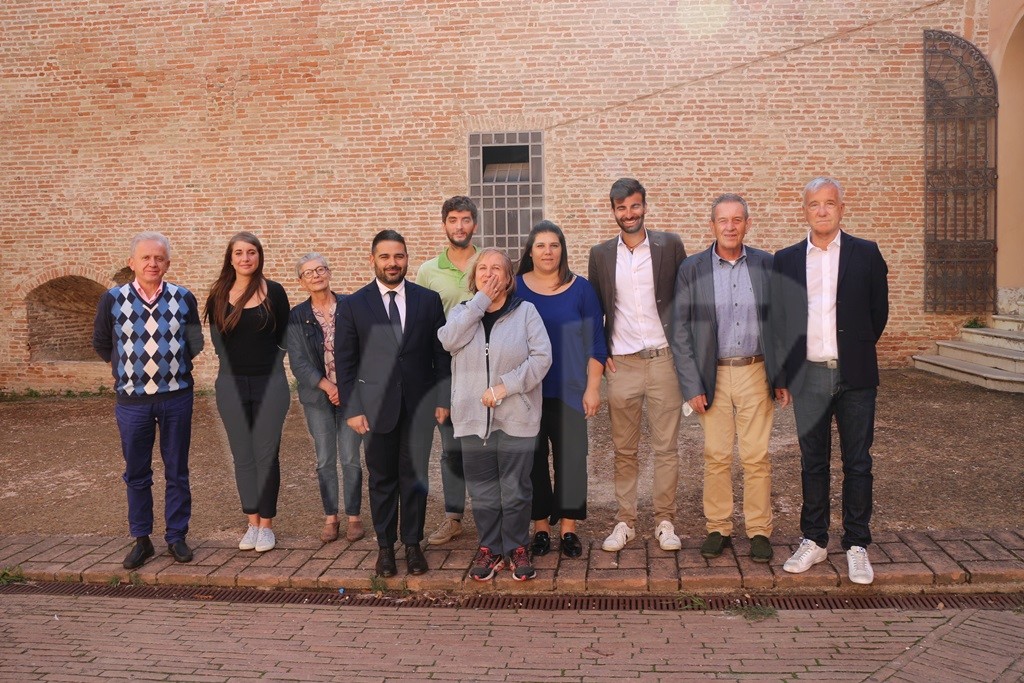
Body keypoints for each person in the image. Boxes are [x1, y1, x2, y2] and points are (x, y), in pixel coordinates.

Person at [771, 177, 889, 585]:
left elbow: (877, 313)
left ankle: (856, 544)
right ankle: (815, 540)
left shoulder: (866, 253)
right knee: (813, 462)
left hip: (856, 375)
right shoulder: (786, 259)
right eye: (814, 204)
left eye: (829, 203)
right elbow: (779, 321)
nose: (822, 210)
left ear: (841, 208)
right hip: (809, 377)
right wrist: (783, 376)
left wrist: (854, 348)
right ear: (804, 210)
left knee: (858, 462)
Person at [336, 230, 450, 578]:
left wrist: (442, 398)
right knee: (382, 479)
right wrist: (353, 408)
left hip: (419, 406)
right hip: (374, 409)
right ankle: (385, 548)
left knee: (414, 478)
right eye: (385, 256)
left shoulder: (428, 301)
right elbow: (345, 361)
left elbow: (440, 355)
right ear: (373, 260)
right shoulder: (354, 305)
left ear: (407, 259)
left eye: (399, 256)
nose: (392, 263)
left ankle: (413, 545)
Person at [670, 194, 778, 564]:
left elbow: (781, 322)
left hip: (756, 370)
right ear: (712, 225)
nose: (730, 227)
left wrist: (782, 376)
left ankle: (759, 530)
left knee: (756, 456)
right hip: (711, 373)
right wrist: (691, 385)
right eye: (723, 220)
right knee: (716, 455)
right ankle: (718, 527)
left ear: (747, 224)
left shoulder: (767, 264)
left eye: (737, 220)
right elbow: (680, 331)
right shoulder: (692, 268)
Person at [92, 232, 205, 569]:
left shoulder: (183, 297)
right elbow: (101, 342)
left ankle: (176, 536)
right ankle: (142, 539)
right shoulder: (113, 299)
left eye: (159, 258)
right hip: (132, 401)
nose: (152, 263)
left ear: (167, 263)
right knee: (136, 472)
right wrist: (127, 368)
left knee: (177, 470)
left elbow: (195, 342)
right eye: (145, 257)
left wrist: (171, 367)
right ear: (132, 263)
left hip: (176, 397)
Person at [439, 248, 552, 581]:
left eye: (497, 269)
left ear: (509, 278)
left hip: (516, 415)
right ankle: (490, 547)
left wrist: (505, 387)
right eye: (482, 269)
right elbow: (447, 341)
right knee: (483, 490)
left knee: (516, 489)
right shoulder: (462, 312)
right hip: (472, 418)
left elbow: (542, 358)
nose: (489, 274)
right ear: (474, 277)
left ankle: (516, 547)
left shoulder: (526, 312)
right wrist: (479, 303)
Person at [588, 178, 687, 553]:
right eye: (621, 208)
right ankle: (625, 521)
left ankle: (665, 521)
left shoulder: (670, 245)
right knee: (624, 449)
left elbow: (683, 301)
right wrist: (601, 354)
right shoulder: (600, 254)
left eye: (634, 206)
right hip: (622, 365)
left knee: (666, 448)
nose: (628, 214)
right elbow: (597, 310)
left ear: (644, 206)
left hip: (664, 360)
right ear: (613, 210)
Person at [516, 221, 607, 558]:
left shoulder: (581, 289)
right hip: (527, 392)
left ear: (562, 250)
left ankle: (568, 528)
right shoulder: (515, 288)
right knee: (533, 461)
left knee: (572, 460)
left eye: (554, 245)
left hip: (570, 390)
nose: (548, 252)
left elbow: (596, 343)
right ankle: (540, 528)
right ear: (530, 251)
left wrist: (593, 388)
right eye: (540, 245)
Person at [205, 232, 291, 554]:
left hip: (270, 385)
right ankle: (252, 522)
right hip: (231, 385)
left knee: (266, 455)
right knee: (242, 456)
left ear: (259, 256)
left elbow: (285, 336)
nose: (245, 258)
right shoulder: (218, 294)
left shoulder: (275, 291)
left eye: (251, 252)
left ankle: (267, 526)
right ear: (230, 258)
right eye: (239, 252)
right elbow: (218, 343)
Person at [287, 253, 365, 544]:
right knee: (325, 459)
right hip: (317, 398)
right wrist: (329, 387)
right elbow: (298, 361)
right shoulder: (296, 315)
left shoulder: (351, 306)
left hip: (351, 395)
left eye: (320, 270)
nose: (316, 276)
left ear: (329, 273)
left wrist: (345, 387)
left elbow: (362, 349)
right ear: (301, 282)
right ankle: (331, 517)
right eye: (308, 273)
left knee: (350, 457)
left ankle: (354, 516)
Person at [416, 196, 479, 546]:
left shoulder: (488, 262)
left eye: (466, 219)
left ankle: (492, 516)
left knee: (488, 446)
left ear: (475, 224)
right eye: (453, 220)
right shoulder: (428, 271)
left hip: (485, 368)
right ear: (444, 225)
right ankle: (454, 517)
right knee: (452, 448)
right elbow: (422, 326)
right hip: (446, 372)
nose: (460, 226)